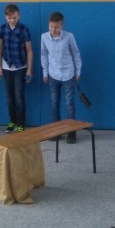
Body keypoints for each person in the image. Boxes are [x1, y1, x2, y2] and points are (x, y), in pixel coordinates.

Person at [40, 11, 82, 144]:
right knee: (54, 103)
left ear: (62, 26)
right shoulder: (44, 37)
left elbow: (76, 53)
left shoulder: (69, 36)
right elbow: (43, 55)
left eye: (56, 27)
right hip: (53, 75)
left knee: (69, 103)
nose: (53, 30)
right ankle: (56, 132)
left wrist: (78, 71)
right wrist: (45, 72)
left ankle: (71, 133)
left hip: (69, 74)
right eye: (51, 26)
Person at [0, 4, 33, 133]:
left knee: (19, 97)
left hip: (20, 67)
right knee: (9, 98)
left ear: (19, 16)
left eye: (14, 18)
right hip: (6, 67)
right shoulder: (3, 28)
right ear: (5, 17)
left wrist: (29, 69)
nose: (12, 20)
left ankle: (21, 123)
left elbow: (29, 50)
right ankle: (12, 121)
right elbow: (0, 48)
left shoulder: (24, 29)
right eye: (9, 18)